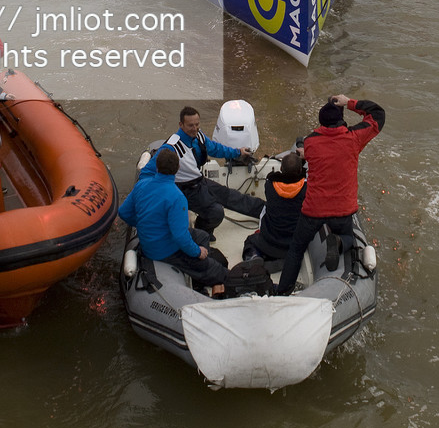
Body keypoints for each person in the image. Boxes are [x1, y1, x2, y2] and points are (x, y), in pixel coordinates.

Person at [276, 94, 385, 296]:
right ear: (341, 120)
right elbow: (378, 114)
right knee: (349, 237)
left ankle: (282, 292)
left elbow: (307, 153)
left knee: (296, 248)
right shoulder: (354, 138)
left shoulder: (311, 142)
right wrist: (349, 102)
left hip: (314, 210)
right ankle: (340, 242)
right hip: (342, 210)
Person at [118, 147, 226, 293]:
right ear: (178, 168)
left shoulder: (141, 185)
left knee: (203, 236)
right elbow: (180, 236)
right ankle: (201, 278)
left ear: (157, 167)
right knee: (216, 269)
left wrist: (143, 224)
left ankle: (198, 275)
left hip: (150, 243)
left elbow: (123, 212)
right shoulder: (177, 197)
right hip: (164, 251)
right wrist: (197, 252)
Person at [159, 106, 263, 233]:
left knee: (231, 196)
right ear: (181, 125)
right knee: (216, 212)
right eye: (190, 125)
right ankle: (202, 233)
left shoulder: (198, 136)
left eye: (197, 124)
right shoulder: (171, 147)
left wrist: (238, 153)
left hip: (199, 182)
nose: (195, 128)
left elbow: (215, 148)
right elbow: (149, 170)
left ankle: (266, 210)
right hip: (184, 190)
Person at [243, 150, 307, 263]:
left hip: (270, 240)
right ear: (300, 170)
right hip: (292, 243)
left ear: (281, 168)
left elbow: (272, 177)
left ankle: (253, 257)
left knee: (250, 241)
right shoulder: (306, 189)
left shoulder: (270, 185)